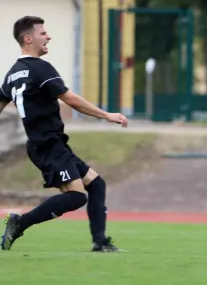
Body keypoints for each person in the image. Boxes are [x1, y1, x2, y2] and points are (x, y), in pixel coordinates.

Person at [0, 16, 128, 252]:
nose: (48, 37)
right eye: (43, 33)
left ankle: (99, 242)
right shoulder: (40, 68)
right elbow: (71, 99)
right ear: (28, 39)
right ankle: (20, 223)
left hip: (46, 143)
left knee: (96, 184)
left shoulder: (11, 74)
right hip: (48, 144)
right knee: (77, 197)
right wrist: (107, 115)